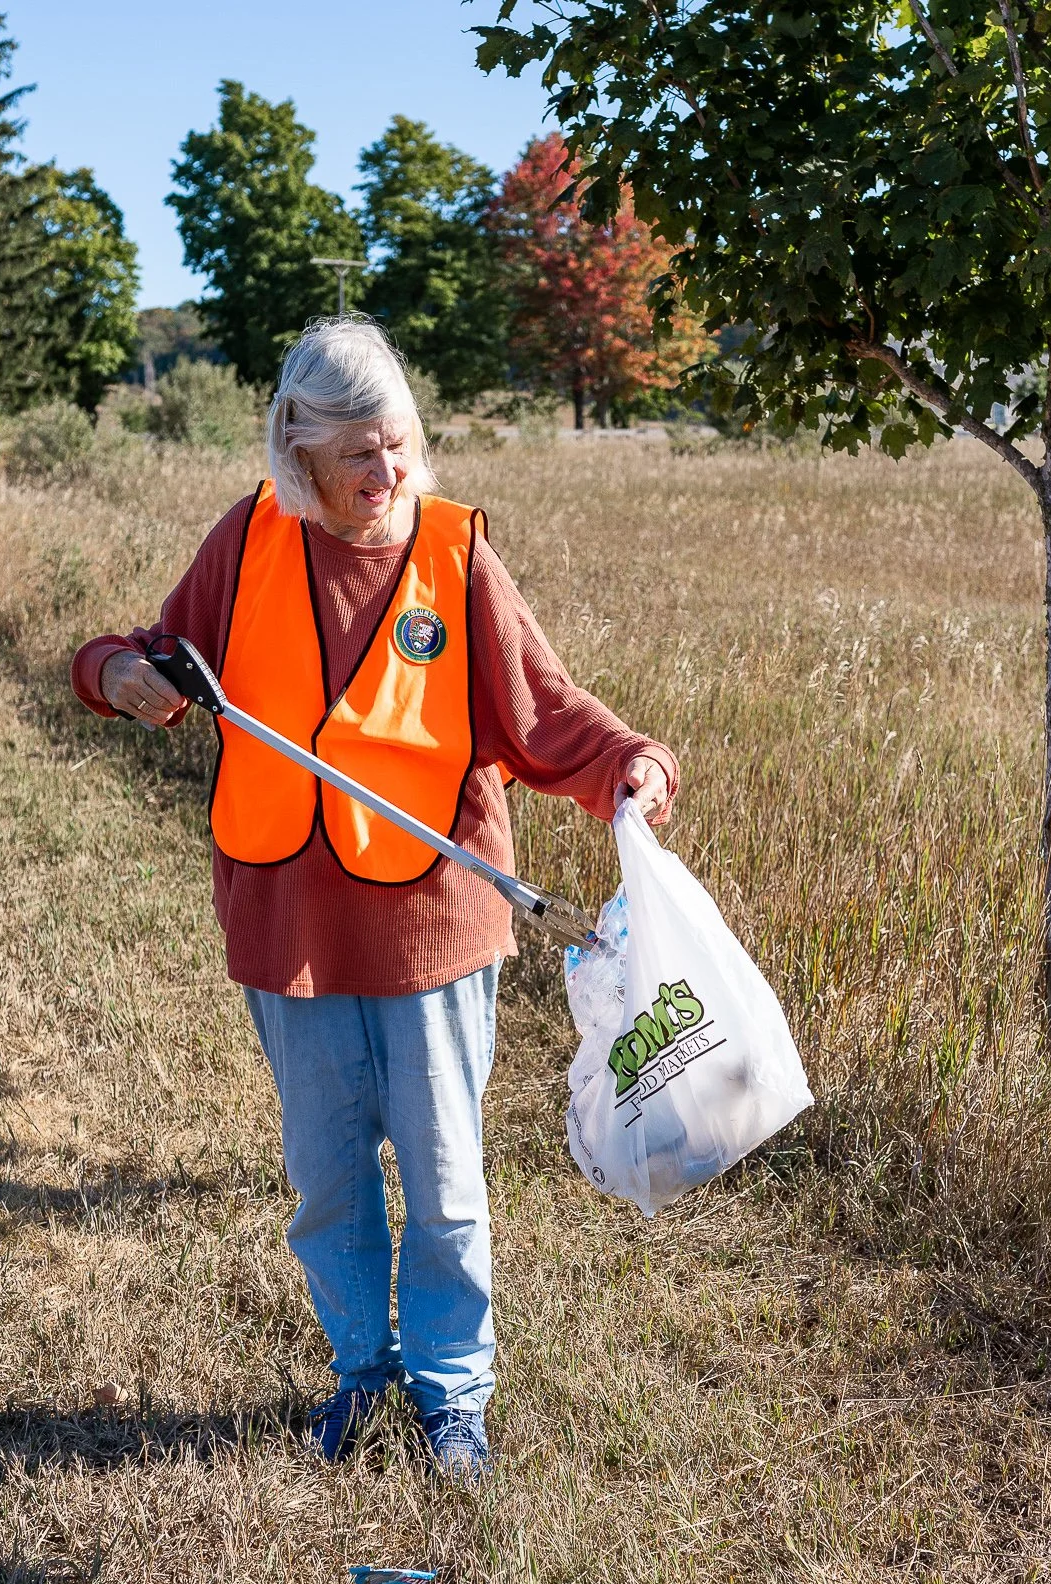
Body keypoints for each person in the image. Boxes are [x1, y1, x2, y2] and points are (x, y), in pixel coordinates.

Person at [71, 317, 676, 1481]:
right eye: (357, 453)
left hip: (433, 927)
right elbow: (145, 651)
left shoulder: (453, 552)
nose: (386, 475)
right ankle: (365, 1372)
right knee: (328, 1175)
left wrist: (630, 766)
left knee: (446, 1179)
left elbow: (544, 715)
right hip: (286, 926)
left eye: (398, 445)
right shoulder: (248, 538)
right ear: (294, 449)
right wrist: (117, 674)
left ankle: (453, 1398)